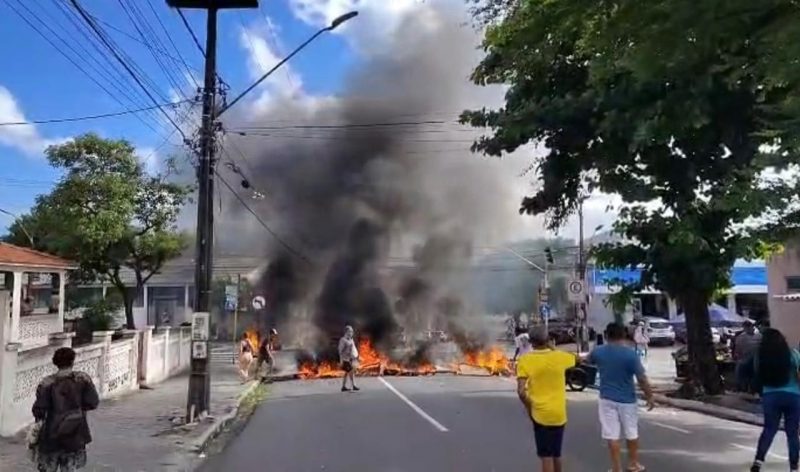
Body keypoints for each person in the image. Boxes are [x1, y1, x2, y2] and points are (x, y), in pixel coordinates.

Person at [588, 322, 655, 472]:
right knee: (631, 432)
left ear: (606, 335)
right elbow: (642, 378)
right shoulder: (631, 355)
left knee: (612, 434)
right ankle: (633, 464)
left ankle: (616, 468)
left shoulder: (599, 352)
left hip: (606, 398)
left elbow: (587, 360)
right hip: (628, 400)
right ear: (624, 335)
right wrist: (649, 396)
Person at [516, 326, 577, 472]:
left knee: (546, 456)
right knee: (556, 453)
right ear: (548, 339)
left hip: (540, 414)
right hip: (559, 414)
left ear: (531, 342)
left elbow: (521, 392)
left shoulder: (525, 360)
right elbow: (577, 359)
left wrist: (529, 407)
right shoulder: (560, 357)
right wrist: (553, 348)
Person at [31, 347, 99, 472]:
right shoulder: (83, 379)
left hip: (51, 435)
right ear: (72, 361)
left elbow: (39, 411)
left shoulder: (46, 383)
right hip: (75, 433)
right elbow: (93, 402)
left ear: (55, 362)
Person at [750, 328, 800, 472]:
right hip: (793, 396)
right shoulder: (793, 354)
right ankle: (794, 467)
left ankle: (758, 461)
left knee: (769, 429)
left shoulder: (760, 357)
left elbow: (757, 374)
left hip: (770, 395)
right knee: (792, 433)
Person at [735, 319, 762, 393]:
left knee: (754, 377)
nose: (748, 328)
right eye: (746, 327)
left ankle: (752, 391)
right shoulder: (741, 337)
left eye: (749, 326)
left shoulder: (759, 336)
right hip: (745, 360)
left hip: (756, 360)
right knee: (745, 378)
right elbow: (738, 349)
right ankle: (745, 390)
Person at [339, 325, 360, 392]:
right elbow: (340, 351)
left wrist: (355, 356)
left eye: (352, 331)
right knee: (351, 372)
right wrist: (341, 360)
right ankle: (353, 386)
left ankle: (343, 387)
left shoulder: (351, 339)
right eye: (350, 331)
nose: (351, 333)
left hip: (350, 359)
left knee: (347, 373)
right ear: (346, 332)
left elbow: (353, 349)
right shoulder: (343, 340)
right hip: (345, 360)